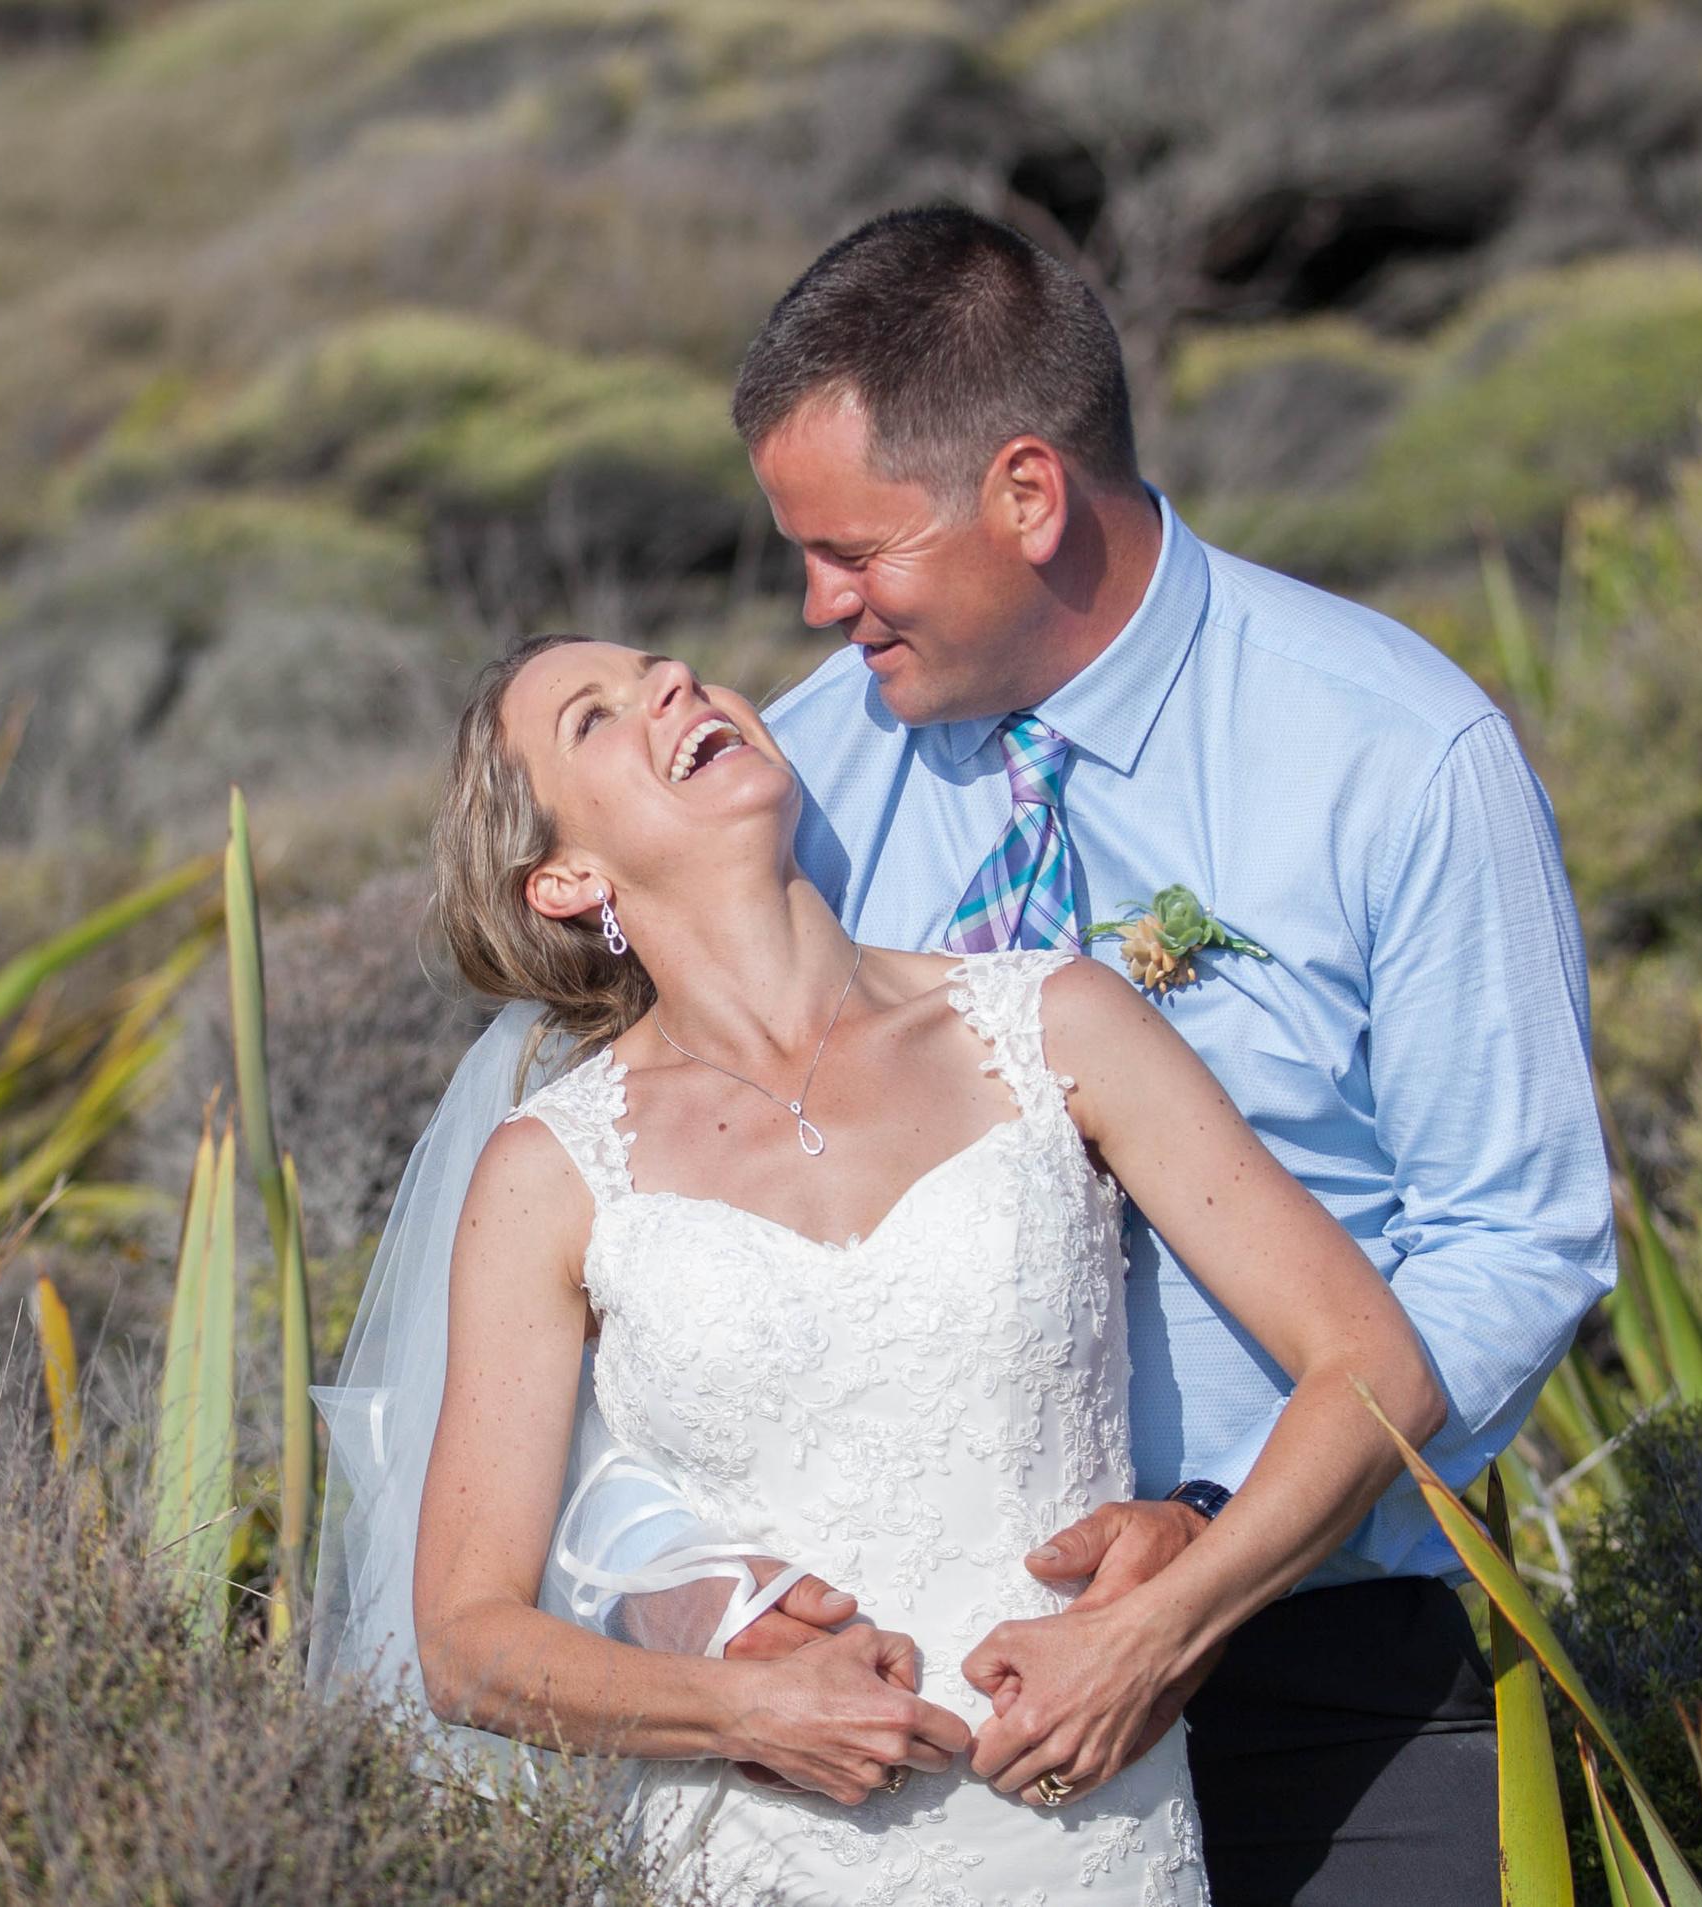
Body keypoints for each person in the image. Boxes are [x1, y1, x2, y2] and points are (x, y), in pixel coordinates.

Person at [311, 204, 1617, 1903]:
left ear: (1026, 494)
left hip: (1331, 1637)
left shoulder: (1396, 755)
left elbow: (1517, 1236)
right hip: (895, 1734)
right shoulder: (795, 782)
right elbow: (647, 1292)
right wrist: (699, 1604)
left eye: (851, 549)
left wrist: (1217, 1538)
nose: (812, 605)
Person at [409, 630, 1447, 1903]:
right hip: (758, 1858)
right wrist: (739, 1707)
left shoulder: (1054, 1019)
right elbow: (464, 1639)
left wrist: (1158, 1630)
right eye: (596, 714)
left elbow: (1375, 1366)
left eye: (664, 669)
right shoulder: (548, 1171)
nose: (671, 686)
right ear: (565, 879)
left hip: (1091, 1840)